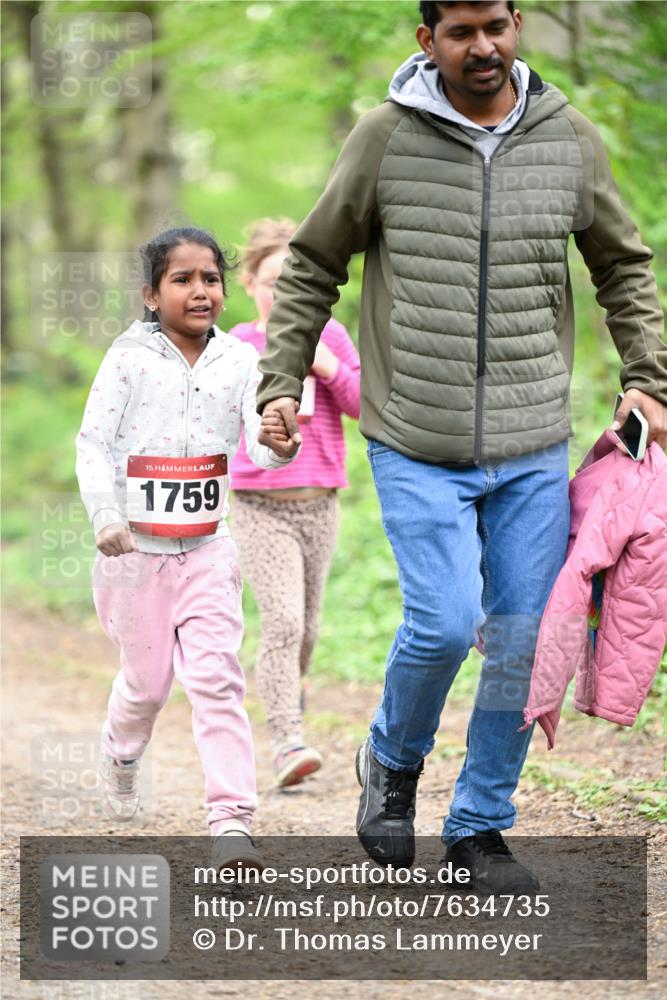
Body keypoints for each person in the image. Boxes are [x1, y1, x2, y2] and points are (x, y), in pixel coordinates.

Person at [254, 1, 667, 892]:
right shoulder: (383, 138)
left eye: (496, 26)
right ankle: (391, 761)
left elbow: (622, 265)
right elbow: (313, 264)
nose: (483, 46)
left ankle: (479, 826)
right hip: (414, 432)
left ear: (516, 23)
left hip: (531, 439)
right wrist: (280, 380)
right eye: (460, 32)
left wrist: (648, 377)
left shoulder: (568, 138)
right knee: (442, 623)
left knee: (521, 639)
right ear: (427, 40)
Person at [75, 226, 298, 868]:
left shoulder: (241, 361)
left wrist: (278, 445)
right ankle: (121, 752)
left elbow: (258, 444)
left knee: (217, 682)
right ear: (151, 294)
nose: (201, 291)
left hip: (207, 551)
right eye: (182, 279)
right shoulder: (127, 358)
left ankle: (231, 824)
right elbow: (92, 443)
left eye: (211, 279)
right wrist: (106, 515)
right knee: (147, 687)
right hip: (132, 555)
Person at [229, 218, 361, 788]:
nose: (282, 293)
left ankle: (289, 701)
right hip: (257, 504)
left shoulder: (330, 335)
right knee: (282, 621)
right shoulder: (236, 346)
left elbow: (365, 404)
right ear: (249, 284)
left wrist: (325, 366)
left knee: (307, 628)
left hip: (320, 504)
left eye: (294, 281)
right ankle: (287, 739)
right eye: (271, 282)